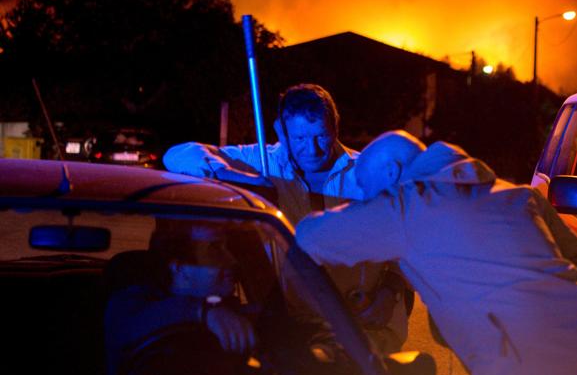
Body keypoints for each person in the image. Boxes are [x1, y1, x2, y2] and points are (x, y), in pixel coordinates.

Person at [296, 131, 577, 375]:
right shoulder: (513, 193)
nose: (366, 198)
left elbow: (310, 237)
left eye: (366, 189)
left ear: (393, 172)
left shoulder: (409, 205)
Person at [163, 83, 409, 353]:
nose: (312, 149)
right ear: (282, 132)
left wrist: (391, 291)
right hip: (291, 328)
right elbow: (177, 154)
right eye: (300, 139)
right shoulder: (261, 160)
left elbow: (407, 239)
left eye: (321, 136)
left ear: (335, 127)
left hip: (364, 325)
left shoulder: (369, 171)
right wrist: (232, 175)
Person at [105, 220, 256, 375]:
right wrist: (202, 310)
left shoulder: (229, 309)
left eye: (227, 248)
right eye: (214, 248)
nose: (232, 260)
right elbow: (132, 323)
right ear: (178, 267)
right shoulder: (128, 305)